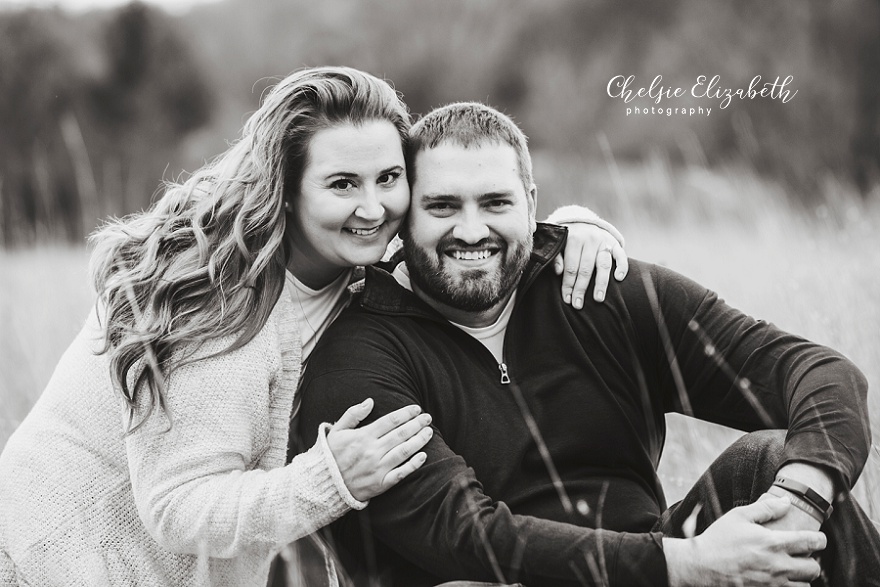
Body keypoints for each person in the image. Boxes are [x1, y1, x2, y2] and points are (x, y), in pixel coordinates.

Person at [0, 68, 626, 586]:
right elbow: (176, 506)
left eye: (389, 178)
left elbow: (468, 231)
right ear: (287, 190)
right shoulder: (222, 306)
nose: (373, 208)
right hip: (55, 556)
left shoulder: (358, 260)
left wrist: (569, 232)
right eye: (342, 185)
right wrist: (327, 481)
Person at [297, 101, 879, 587]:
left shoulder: (600, 289)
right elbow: (465, 535)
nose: (472, 230)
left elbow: (819, 372)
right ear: (404, 220)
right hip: (517, 579)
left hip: (659, 567)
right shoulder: (358, 356)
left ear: (531, 203)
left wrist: (804, 496)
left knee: (773, 460)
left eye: (495, 203)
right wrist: (686, 565)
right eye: (443, 206)